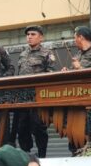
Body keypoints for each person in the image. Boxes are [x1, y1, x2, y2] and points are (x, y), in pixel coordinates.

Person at [11, 25, 60, 158]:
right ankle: (26, 155)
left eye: (33, 34)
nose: (29, 37)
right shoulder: (23, 54)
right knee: (22, 128)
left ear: (41, 37)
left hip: (38, 97)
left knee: (38, 127)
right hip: (23, 98)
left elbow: (51, 74)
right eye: (28, 35)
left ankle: (42, 155)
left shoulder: (47, 53)